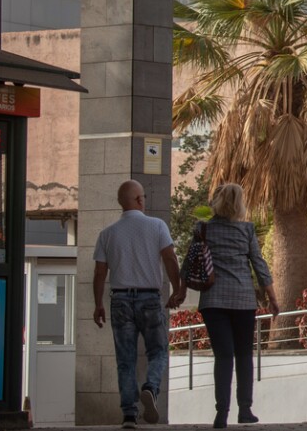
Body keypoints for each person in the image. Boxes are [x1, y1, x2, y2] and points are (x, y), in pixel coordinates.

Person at [180, 183, 280, 429]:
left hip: (213, 301)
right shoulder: (247, 230)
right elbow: (259, 265)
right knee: (244, 355)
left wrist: (180, 291)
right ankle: (245, 410)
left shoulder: (203, 228)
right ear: (239, 204)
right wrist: (272, 298)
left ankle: (221, 414)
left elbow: (189, 261)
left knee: (223, 356)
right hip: (243, 301)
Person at [93, 180, 185, 429]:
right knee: (158, 351)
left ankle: (129, 415)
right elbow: (170, 258)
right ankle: (151, 388)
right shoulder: (157, 226)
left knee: (125, 359)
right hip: (149, 298)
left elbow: (100, 272)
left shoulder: (107, 234)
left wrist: (98, 304)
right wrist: (177, 289)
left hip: (120, 300)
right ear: (139, 200)